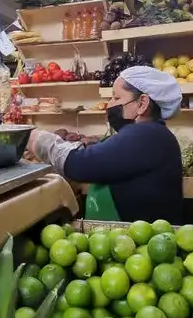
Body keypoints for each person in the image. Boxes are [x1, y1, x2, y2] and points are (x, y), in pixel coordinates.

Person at [28, 66, 184, 223]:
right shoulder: (154, 134)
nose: (109, 105)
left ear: (142, 104)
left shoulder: (147, 135)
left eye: (116, 98)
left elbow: (80, 164)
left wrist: (36, 138)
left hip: (149, 242)